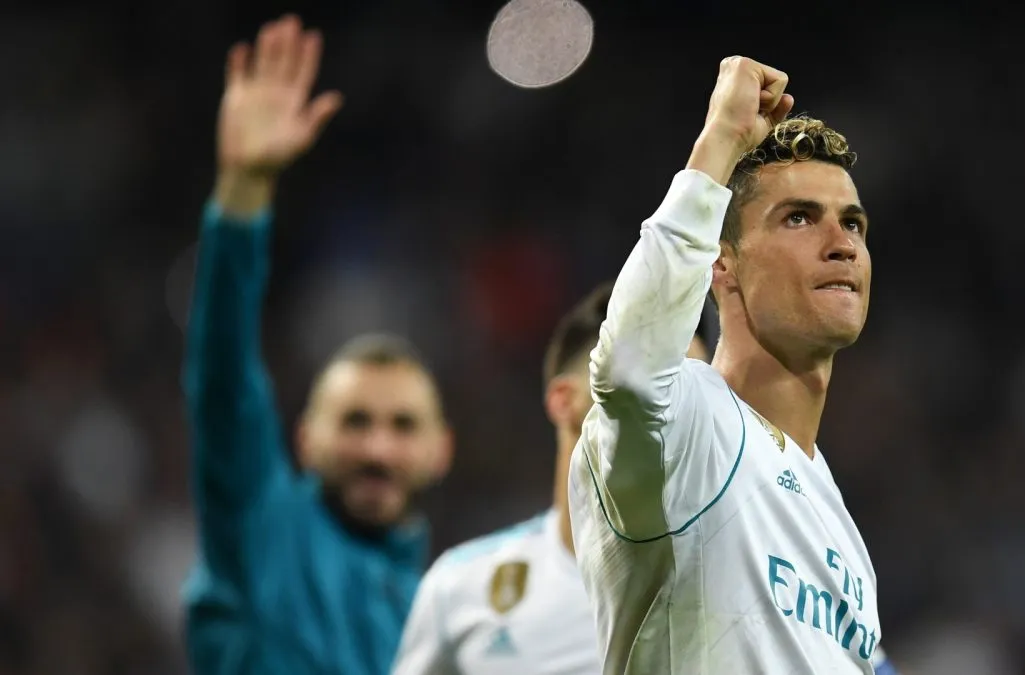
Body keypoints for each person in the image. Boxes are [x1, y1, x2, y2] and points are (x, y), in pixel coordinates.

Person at [566, 57, 898, 674]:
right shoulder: (687, 424)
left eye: (853, 223)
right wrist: (719, 140)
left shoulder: (845, 533)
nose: (842, 242)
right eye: (799, 217)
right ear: (722, 265)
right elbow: (630, 364)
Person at [181, 15, 452, 675]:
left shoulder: (446, 610)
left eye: (401, 424)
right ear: (305, 440)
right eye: (355, 421)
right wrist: (243, 194)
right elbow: (223, 379)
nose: (378, 448)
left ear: (440, 450)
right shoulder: (264, 529)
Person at [390, 283, 710, 675]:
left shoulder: (739, 585)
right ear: (565, 400)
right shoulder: (461, 589)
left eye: (696, 389)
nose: (674, 407)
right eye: (652, 379)